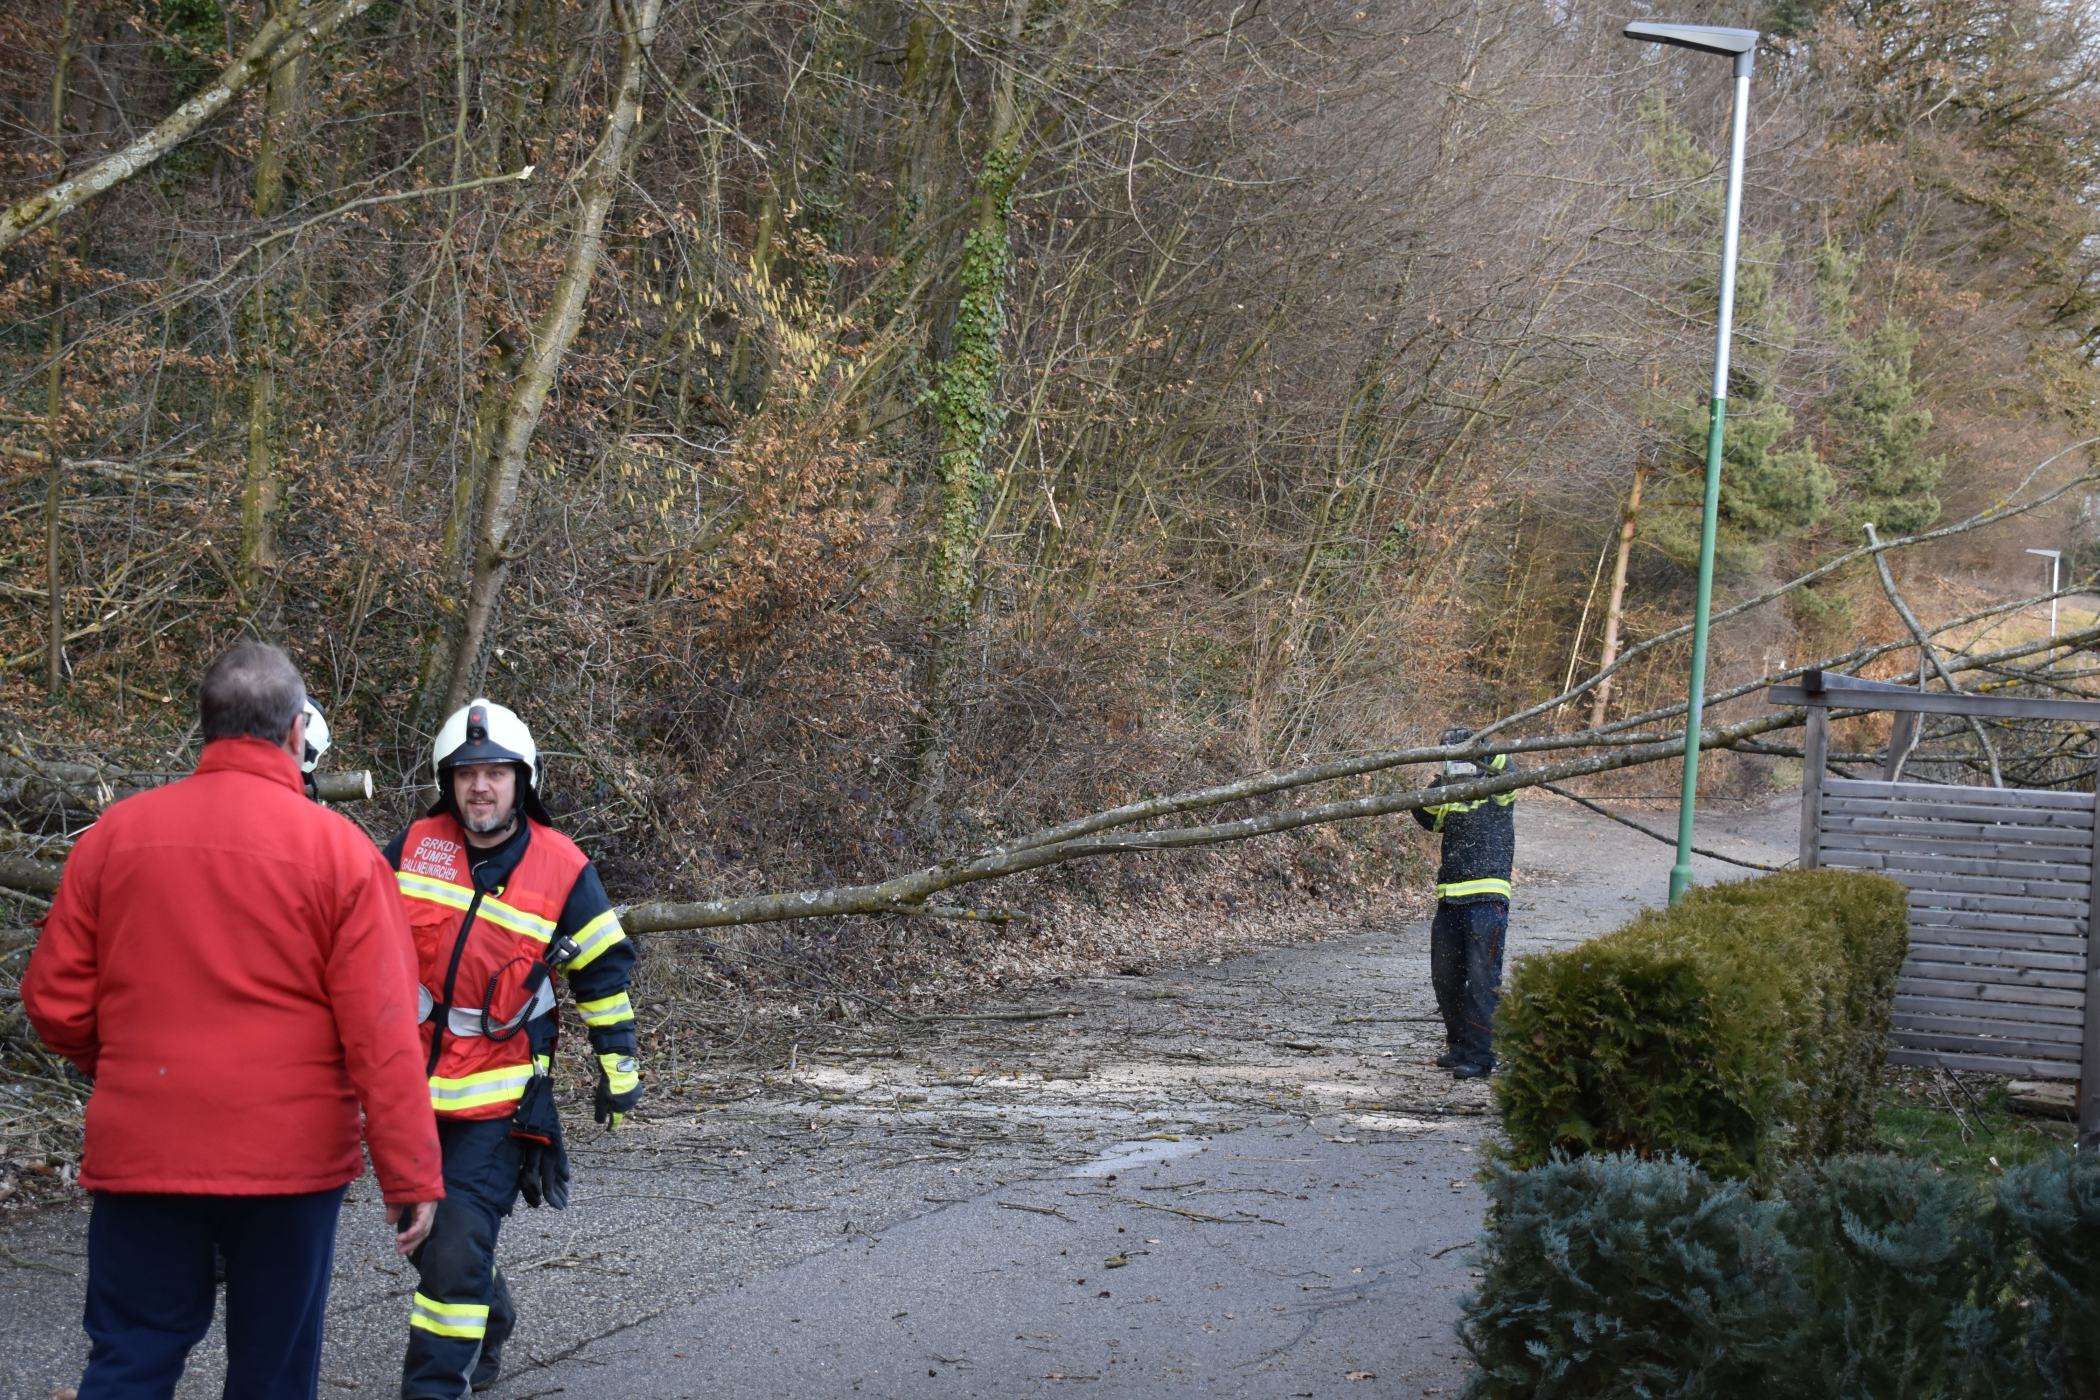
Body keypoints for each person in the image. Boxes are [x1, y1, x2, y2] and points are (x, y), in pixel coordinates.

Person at [22, 641, 442, 1400]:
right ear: (295, 731)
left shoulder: (115, 836)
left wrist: (132, 1069)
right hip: (289, 1161)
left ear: (205, 724)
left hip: (145, 1146)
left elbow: (54, 1000)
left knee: (131, 1356)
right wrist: (409, 1172)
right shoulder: (342, 854)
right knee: (272, 1374)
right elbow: (382, 1034)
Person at [389, 698, 642, 1397]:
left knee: (453, 1244)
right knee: (425, 1236)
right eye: (467, 773)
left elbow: (602, 972)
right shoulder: (414, 846)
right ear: (447, 781)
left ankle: (434, 1387)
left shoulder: (562, 867)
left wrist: (618, 1066)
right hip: (407, 1094)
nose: (481, 787)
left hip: (500, 1099)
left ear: (522, 780)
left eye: (496, 773)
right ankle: (488, 1311)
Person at [1412, 726, 1518, 1080]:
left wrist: (1478, 749)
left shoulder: (1498, 790)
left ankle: (1481, 1054)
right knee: (1446, 978)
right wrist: (1444, 775)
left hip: (1487, 898)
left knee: (1482, 978)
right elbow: (1424, 814)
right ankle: (1459, 1045)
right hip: (1450, 898)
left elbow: (1506, 767)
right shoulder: (1451, 795)